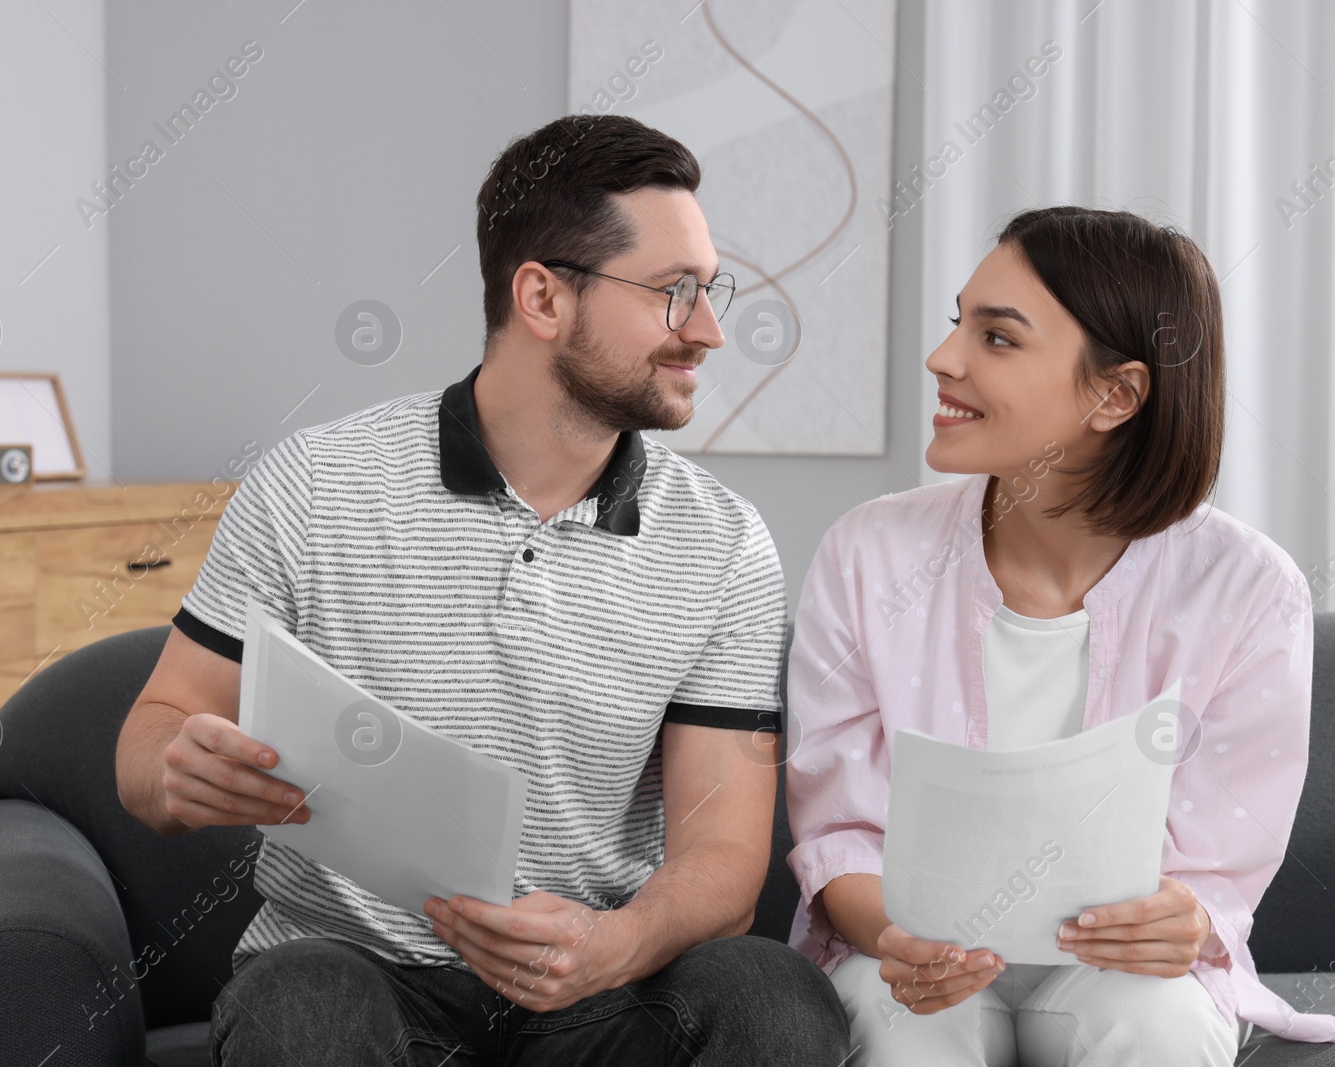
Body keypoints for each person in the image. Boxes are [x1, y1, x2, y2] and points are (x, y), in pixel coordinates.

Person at [115, 113, 848, 1065]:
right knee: (301, 1003)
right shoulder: (313, 484)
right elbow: (153, 731)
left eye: (711, 291)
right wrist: (174, 770)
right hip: (357, 975)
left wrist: (611, 945)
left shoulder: (724, 545)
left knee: (773, 994)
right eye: (674, 293)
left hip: (598, 989)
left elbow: (725, 860)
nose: (708, 331)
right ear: (542, 296)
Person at [784, 206, 1335, 1065]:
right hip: (912, 954)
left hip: (1121, 971)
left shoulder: (1251, 588)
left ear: (1115, 394)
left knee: (1156, 1022)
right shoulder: (868, 554)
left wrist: (1185, 917)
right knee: (899, 1029)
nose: (943, 359)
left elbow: (1216, 875)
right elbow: (838, 830)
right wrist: (898, 940)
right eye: (956, 323)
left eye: (997, 338)